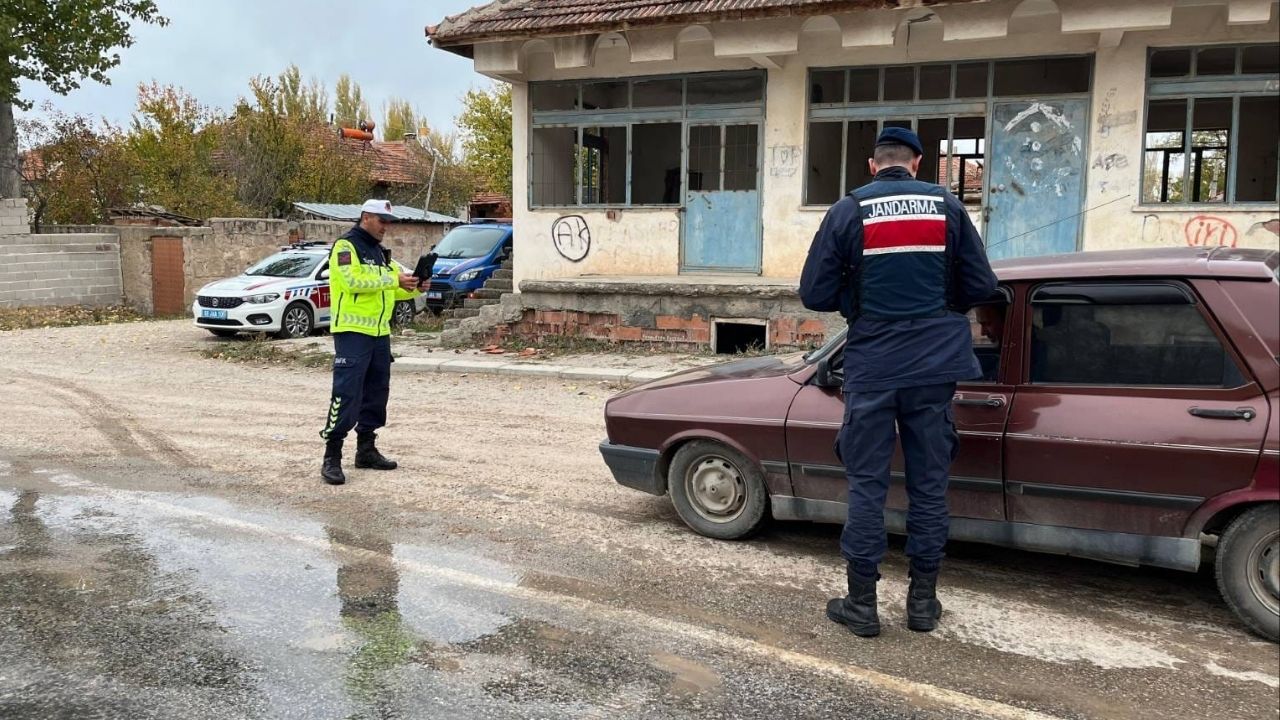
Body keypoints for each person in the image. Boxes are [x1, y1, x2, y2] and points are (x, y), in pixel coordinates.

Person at [799, 127, 998, 637]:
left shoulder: (849, 209)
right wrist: (939, 306)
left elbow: (814, 293)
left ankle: (862, 606)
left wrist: (857, 299)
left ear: (873, 165)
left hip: (873, 366)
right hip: (934, 369)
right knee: (929, 486)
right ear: (917, 163)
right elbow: (980, 286)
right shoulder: (948, 207)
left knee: (867, 485)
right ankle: (923, 606)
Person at [319, 199, 422, 485]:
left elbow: (387, 292)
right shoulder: (345, 247)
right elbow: (352, 281)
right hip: (352, 332)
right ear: (365, 217)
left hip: (379, 334)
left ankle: (366, 449)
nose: (386, 227)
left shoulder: (378, 252)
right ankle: (332, 456)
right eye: (381, 220)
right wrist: (392, 280)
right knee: (347, 393)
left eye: (388, 222)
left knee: (377, 392)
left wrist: (412, 288)